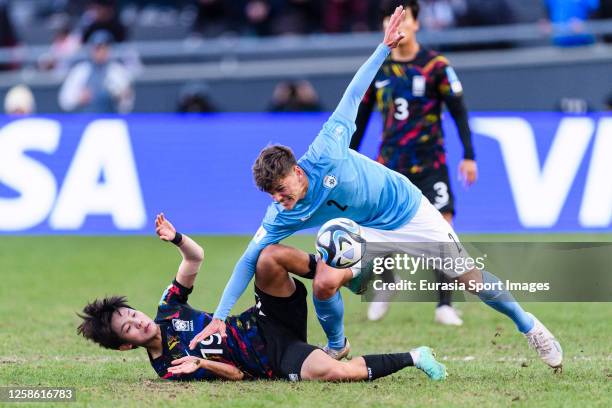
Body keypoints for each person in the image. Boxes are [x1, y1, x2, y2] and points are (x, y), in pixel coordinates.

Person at [191, 6, 563, 371]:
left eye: (280, 188)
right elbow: (248, 259)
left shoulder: (326, 148)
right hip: (365, 233)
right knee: (324, 279)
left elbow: (354, 92)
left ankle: (528, 325)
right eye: (270, 194)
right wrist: (221, 316)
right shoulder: (282, 211)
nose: (278, 199)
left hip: (408, 210)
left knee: (470, 279)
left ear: (297, 170)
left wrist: (383, 47)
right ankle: (338, 346)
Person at [77, 213, 447, 382]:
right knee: (336, 373)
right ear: (126, 347)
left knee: (269, 256)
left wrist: (176, 239)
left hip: (263, 318)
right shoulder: (168, 366)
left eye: (131, 313)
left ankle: (343, 273)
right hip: (273, 357)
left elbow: (195, 257)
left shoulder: (168, 309)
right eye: (129, 327)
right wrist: (202, 364)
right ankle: (417, 356)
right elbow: (236, 375)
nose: (138, 320)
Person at [350, 0, 476, 324]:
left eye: (405, 20)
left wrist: (469, 155)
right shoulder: (377, 69)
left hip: (431, 162)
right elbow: (360, 118)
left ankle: (445, 303)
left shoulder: (435, 65)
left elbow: (459, 110)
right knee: (377, 226)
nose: (399, 27)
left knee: (443, 228)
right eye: (390, 22)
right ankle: (386, 284)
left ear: (417, 24)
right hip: (390, 165)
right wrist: (345, 157)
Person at [58, 30, 134, 113]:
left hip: (110, 120)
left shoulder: (117, 71)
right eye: (98, 48)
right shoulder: (80, 70)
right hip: (84, 121)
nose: (101, 52)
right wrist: (79, 98)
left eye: (104, 48)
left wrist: (122, 98)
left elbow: (127, 106)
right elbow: (64, 101)